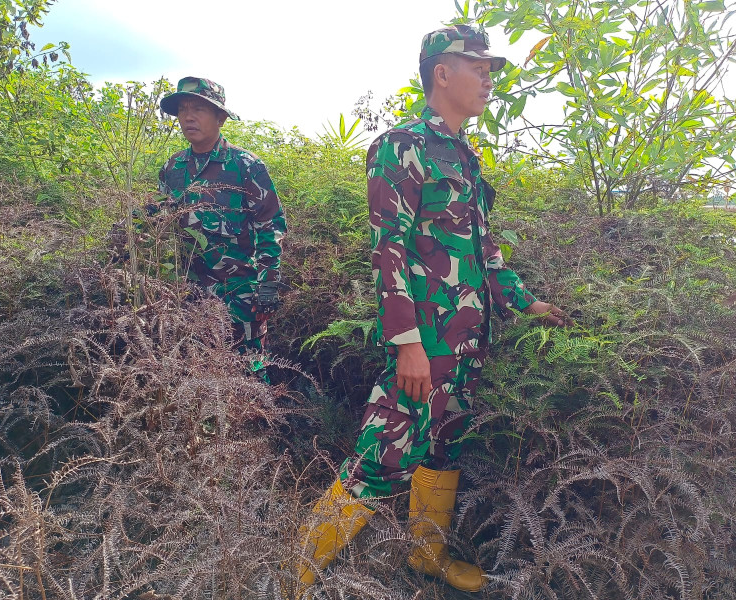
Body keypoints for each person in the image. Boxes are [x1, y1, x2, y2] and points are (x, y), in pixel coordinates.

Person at [294, 25, 571, 594]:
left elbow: (484, 250)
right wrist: (408, 344)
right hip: (427, 346)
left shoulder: (465, 157)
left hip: (468, 343)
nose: (489, 77)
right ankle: (288, 576)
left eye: (491, 67)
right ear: (442, 73)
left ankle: (426, 556)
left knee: (446, 447)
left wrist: (526, 301)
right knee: (382, 455)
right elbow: (387, 248)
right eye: (479, 66)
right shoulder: (402, 147)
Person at [156, 76, 287, 354]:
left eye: (198, 109)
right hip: (188, 294)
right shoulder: (173, 167)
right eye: (182, 110)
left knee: (248, 372)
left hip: (240, 294)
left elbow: (270, 226)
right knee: (193, 370)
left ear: (220, 118)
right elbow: (159, 217)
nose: (188, 117)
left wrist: (268, 286)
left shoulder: (246, 166)